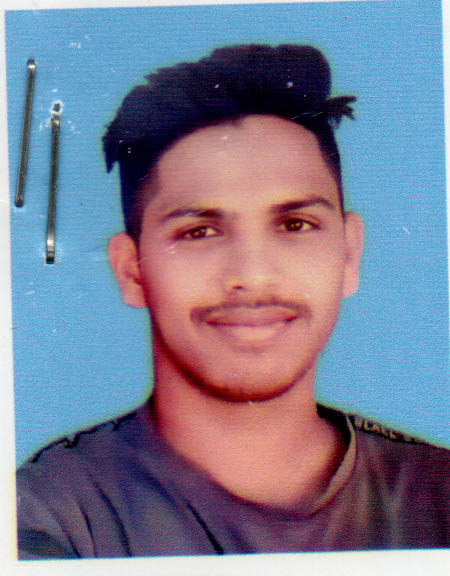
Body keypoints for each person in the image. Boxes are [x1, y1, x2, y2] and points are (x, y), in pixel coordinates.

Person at [16, 44, 449, 559]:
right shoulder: (46, 517)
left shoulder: (438, 495)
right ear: (132, 271)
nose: (252, 274)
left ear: (349, 255)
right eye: (199, 232)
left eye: (295, 225)